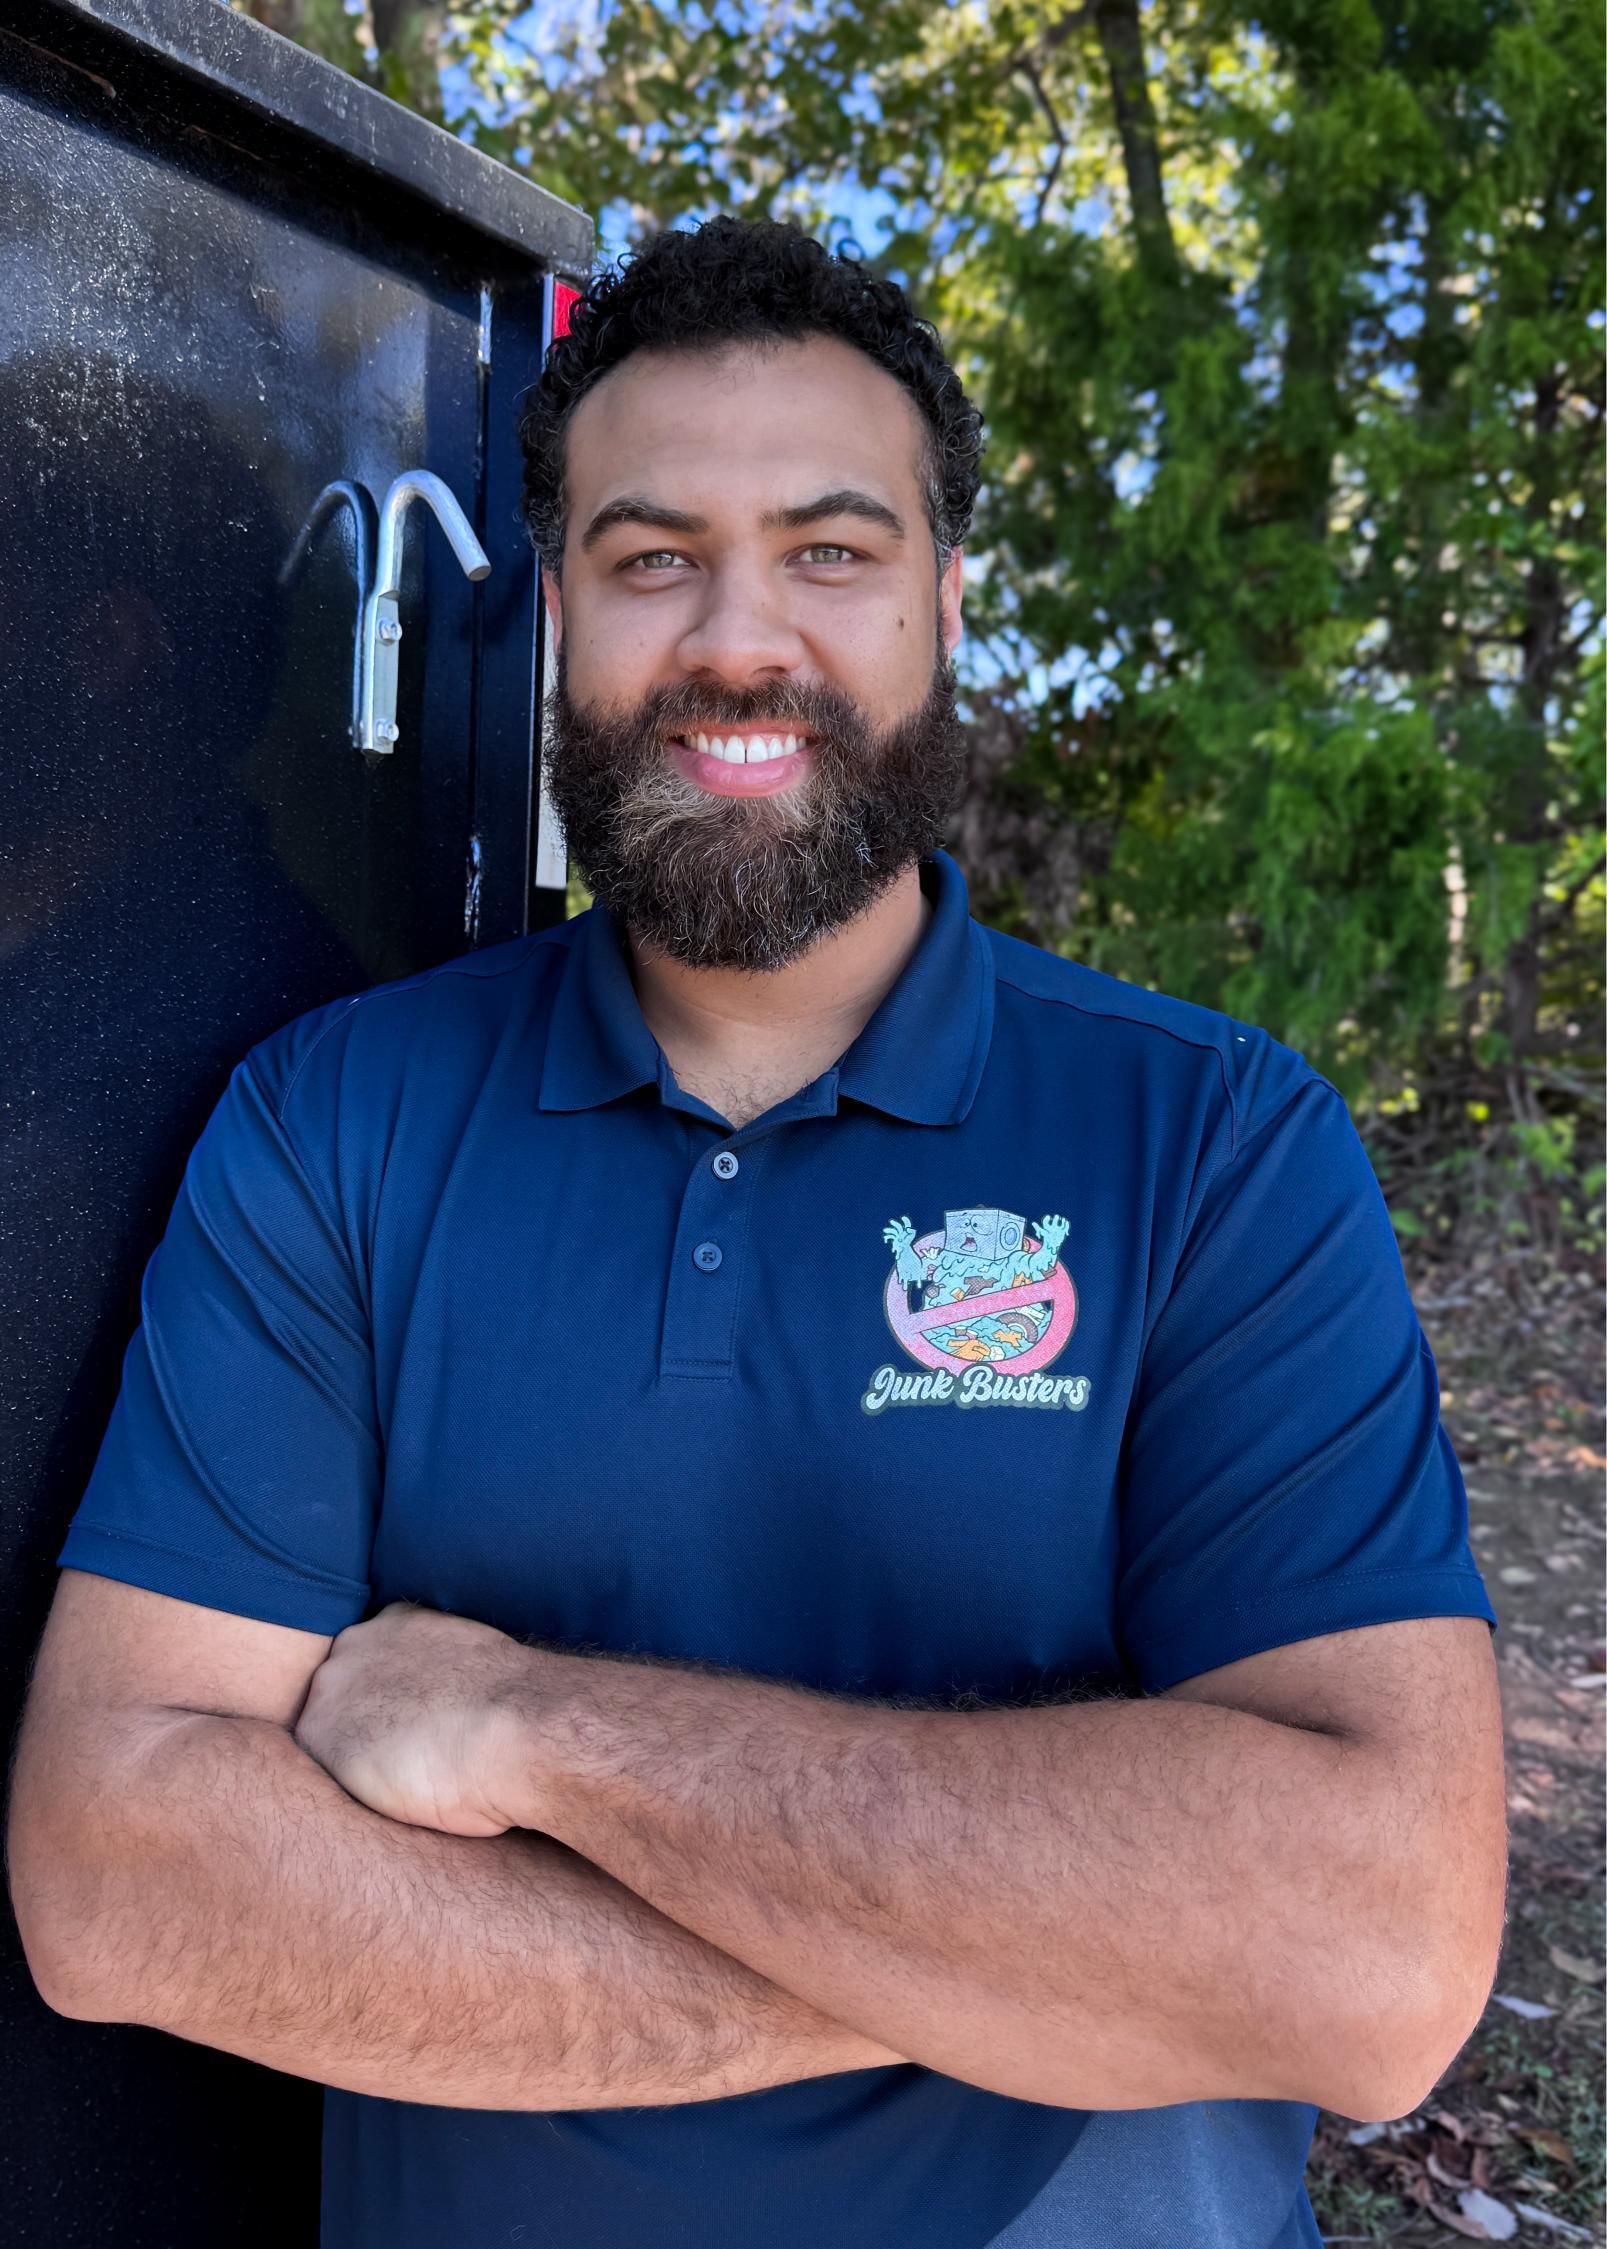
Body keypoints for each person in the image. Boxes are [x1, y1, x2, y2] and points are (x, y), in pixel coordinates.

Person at [9, 217, 1506, 2249]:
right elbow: (121, 1885)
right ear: (555, 612)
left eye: (830, 550)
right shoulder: (334, 1124)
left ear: (945, 604)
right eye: (652, 559)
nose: (737, 640)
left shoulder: (1215, 1145)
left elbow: (1369, 1959)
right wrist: (1035, 1947)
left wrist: (535, 1729)